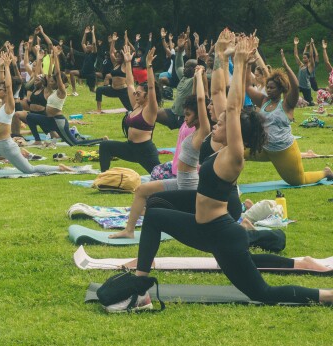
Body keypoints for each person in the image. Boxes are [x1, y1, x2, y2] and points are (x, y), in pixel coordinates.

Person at [108, 36, 333, 312]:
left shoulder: (233, 156)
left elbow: (234, 106)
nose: (218, 121)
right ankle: (140, 289)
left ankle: (327, 295)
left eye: (224, 121)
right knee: (154, 210)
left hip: (220, 235)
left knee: (263, 293)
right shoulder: (219, 146)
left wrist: (239, 63)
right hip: (207, 226)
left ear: (238, 132)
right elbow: (223, 99)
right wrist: (224, 59)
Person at [110, 67, 210, 239]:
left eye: (188, 115)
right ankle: (129, 231)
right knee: (142, 190)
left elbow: (201, 100)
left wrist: (200, 76)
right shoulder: (189, 126)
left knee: (157, 205)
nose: (184, 118)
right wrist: (195, 77)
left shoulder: (202, 131)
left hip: (188, 185)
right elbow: (194, 99)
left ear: (199, 116)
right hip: (179, 179)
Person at [0, 51, 72, 175]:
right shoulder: (1, 104)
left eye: (0, 90)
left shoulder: (10, 105)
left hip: (7, 147)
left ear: (7, 92)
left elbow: (7, 86)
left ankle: (59, 168)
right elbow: (2, 82)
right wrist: (1, 67)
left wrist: (7, 67)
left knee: (30, 170)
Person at [245, 49, 333, 184]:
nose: (268, 89)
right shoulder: (263, 101)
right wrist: (246, 64)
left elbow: (296, 85)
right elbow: (247, 87)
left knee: (298, 181)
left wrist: (286, 66)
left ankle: (325, 172)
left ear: (281, 89)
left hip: (284, 151)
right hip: (264, 148)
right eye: (267, 87)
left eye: (272, 87)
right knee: (237, 153)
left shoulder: (287, 105)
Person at [97, 46, 161, 174]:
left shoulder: (151, 109)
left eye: (138, 93)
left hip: (145, 151)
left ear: (147, 95)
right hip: (130, 148)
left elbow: (152, 87)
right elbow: (130, 84)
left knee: (161, 177)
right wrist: (127, 62)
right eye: (135, 93)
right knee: (105, 146)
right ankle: (104, 177)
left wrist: (149, 66)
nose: (135, 95)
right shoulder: (136, 106)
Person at [156, 32, 197, 130]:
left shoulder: (196, 80)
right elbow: (178, 65)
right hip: (173, 114)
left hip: (186, 118)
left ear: (195, 69)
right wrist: (180, 49)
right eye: (185, 66)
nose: (185, 69)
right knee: (152, 114)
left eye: (188, 67)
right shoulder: (183, 76)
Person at [93, 32, 133, 113]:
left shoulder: (125, 65)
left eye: (119, 56)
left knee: (131, 109)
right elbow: (111, 52)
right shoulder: (115, 64)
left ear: (123, 57)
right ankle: (98, 109)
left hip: (123, 91)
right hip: (113, 89)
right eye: (116, 56)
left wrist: (126, 40)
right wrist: (113, 42)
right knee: (99, 90)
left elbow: (126, 51)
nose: (117, 58)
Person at [68, 26, 98, 95]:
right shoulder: (87, 52)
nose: (86, 46)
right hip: (83, 72)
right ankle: (74, 91)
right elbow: (82, 43)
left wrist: (93, 33)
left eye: (88, 46)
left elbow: (94, 43)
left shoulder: (94, 54)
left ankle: (102, 92)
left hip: (91, 74)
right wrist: (85, 33)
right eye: (86, 46)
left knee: (92, 90)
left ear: (91, 48)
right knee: (72, 72)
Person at [293, 37, 315, 106]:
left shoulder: (310, 66)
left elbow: (311, 56)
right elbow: (296, 55)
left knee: (310, 103)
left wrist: (311, 45)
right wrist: (295, 44)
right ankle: (301, 100)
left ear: (308, 59)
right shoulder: (301, 65)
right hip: (299, 86)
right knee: (293, 97)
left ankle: (306, 100)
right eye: (303, 58)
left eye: (305, 58)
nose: (303, 59)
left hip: (306, 87)